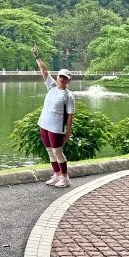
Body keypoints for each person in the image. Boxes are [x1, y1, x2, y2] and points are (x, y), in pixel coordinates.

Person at [31, 46, 75, 188]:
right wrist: (37, 56)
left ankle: (65, 178)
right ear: (57, 77)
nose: (62, 79)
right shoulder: (51, 86)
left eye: (65, 78)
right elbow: (44, 71)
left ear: (69, 81)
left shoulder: (68, 96)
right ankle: (56, 175)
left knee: (58, 152)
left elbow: (70, 116)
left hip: (57, 127)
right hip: (44, 124)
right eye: (60, 76)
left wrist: (68, 132)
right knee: (50, 151)